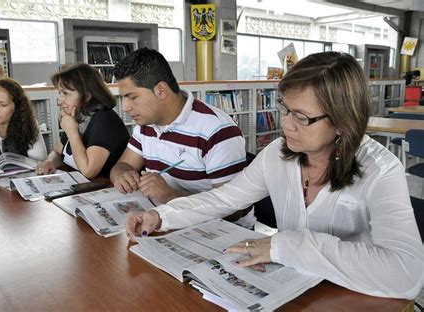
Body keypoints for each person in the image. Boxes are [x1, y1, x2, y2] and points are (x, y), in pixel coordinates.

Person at [125, 51, 424, 299]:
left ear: (343, 122)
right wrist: (163, 216)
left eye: (303, 117)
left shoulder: (382, 171)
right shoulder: (277, 154)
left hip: (356, 295)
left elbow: (407, 273)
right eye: (286, 109)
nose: (287, 125)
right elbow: (224, 198)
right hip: (293, 291)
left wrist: (285, 246)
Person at [110, 47, 251, 223]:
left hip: (219, 233)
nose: (125, 107)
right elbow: (123, 165)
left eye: (132, 97)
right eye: (123, 98)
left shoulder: (216, 130)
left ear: (161, 90)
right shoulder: (146, 124)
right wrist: (122, 175)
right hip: (165, 220)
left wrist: (169, 194)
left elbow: (233, 211)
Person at [36, 64, 129, 179]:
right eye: (60, 93)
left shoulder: (104, 120)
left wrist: (72, 133)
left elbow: (88, 171)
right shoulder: (80, 116)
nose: (59, 101)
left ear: (87, 96)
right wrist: (50, 161)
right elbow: (57, 152)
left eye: (65, 93)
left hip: (109, 190)